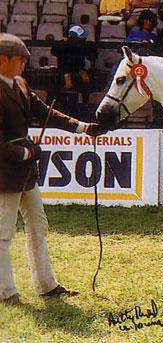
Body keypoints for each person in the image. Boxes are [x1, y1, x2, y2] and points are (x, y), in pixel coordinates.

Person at [0, 33, 105, 306]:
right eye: (19, 60)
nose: (24, 64)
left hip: (25, 172)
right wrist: (25, 152)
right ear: (3, 59)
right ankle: (6, 292)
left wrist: (82, 128)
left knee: (38, 225)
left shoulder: (21, 84)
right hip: (5, 174)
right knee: (3, 234)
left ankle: (46, 285)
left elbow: (46, 112)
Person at [51, 25, 97, 95]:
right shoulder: (64, 44)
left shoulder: (82, 45)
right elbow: (53, 51)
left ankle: (84, 99)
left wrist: (90, 46)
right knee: (67, 81)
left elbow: (92, 57)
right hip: (65, 70)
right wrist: (61, 43)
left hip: (79, 69)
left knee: (86, 79)